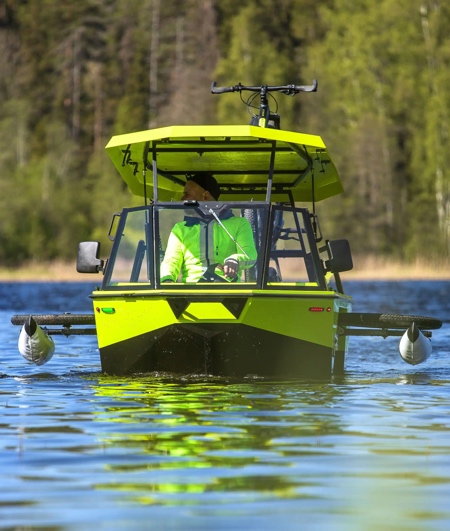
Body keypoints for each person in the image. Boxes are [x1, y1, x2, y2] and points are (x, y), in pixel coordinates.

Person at [160, 173, 257, 283]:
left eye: (187, 194)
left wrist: (234, 260)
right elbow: (171, 261)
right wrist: (167, 280)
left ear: (205, 196)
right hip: (189, 292)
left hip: (228, 292)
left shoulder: (240, 224)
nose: (182, 199)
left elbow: (250, 254)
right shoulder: (180, 229)